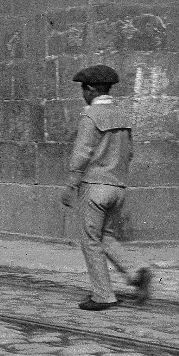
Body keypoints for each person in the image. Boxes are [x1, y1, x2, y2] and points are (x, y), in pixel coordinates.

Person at [63, 64, 153, 311]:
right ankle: (135, 273)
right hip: (118, 187)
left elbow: (81, 154)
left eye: (83, 89)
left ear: (91, 89)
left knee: (90, 240)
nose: (83, 94)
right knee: (107, 236)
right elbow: (130, 152)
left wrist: (71, 185)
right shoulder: (123, 115)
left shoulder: (90, 115)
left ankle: (103, 295)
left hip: (94, 187)